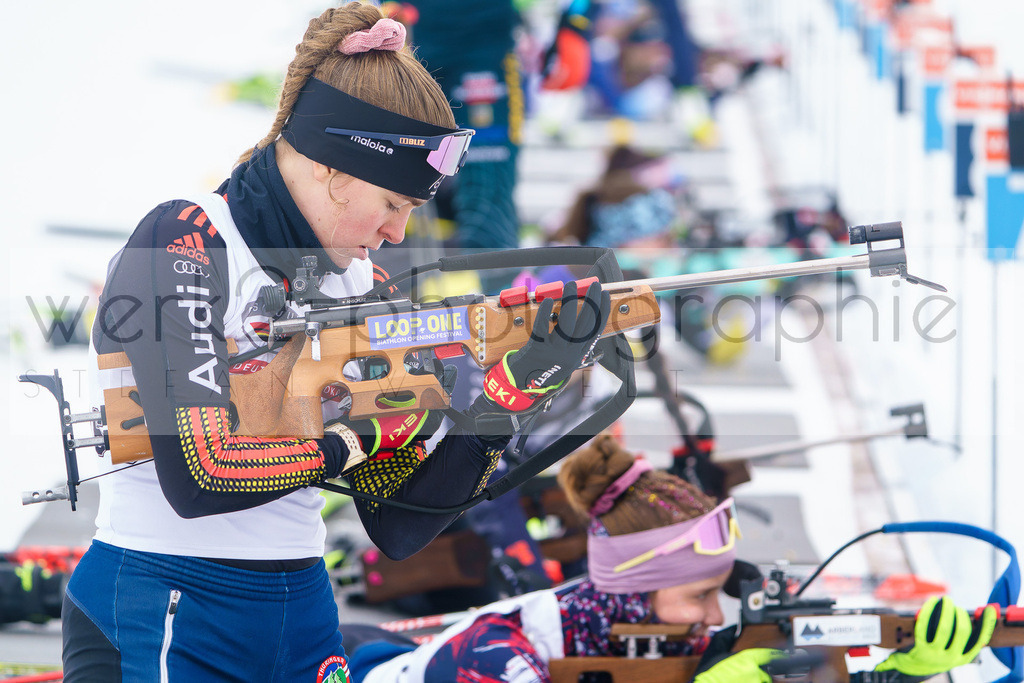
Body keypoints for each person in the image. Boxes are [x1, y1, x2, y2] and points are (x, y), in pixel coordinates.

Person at [64, 3, 609, 680]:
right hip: (165, 608)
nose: (397, 235)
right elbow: (200, 475)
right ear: (333, 166)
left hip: (300, 612)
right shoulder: (184, 239)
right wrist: (352, 440)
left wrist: (515, 387)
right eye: (393, 205)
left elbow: (398, 519)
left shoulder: (362, 282)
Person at [340, 435, 996, 683]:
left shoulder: (641, 649)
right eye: (696, 596)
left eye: (717, 592)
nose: (715, 618)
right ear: (632, 594)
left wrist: (903, 669)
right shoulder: (503, 655)